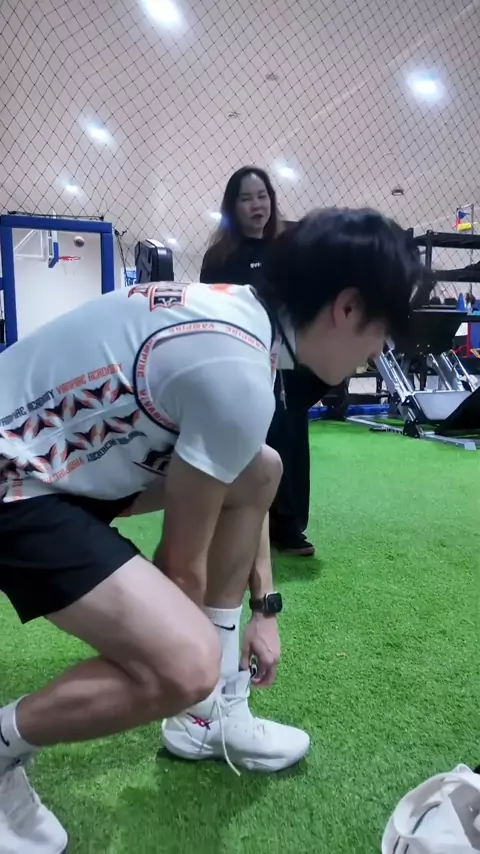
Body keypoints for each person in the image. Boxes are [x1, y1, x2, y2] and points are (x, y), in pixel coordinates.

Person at [0, 208, 422, 852]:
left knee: (262, 469)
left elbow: (242, 475)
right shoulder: (237, 367)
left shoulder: (242, 320)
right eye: (384, 328)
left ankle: (209, 719)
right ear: (348, 306)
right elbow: (180, 567)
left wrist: (265, 608)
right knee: (184, 663)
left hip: (61, 465)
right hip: (16, 483)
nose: (380, 349)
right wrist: (195, 663)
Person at [200, 166, 322, 556]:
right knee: (246, 442)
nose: (257, 205)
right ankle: (241, 523)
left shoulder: (288, 251)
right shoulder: (219, 258)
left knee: (289, 440)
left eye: (262, 195)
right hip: (240, 363)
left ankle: (288, 527)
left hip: (286, 365)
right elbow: (208, 312)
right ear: (232, 206)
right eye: (246, 198)